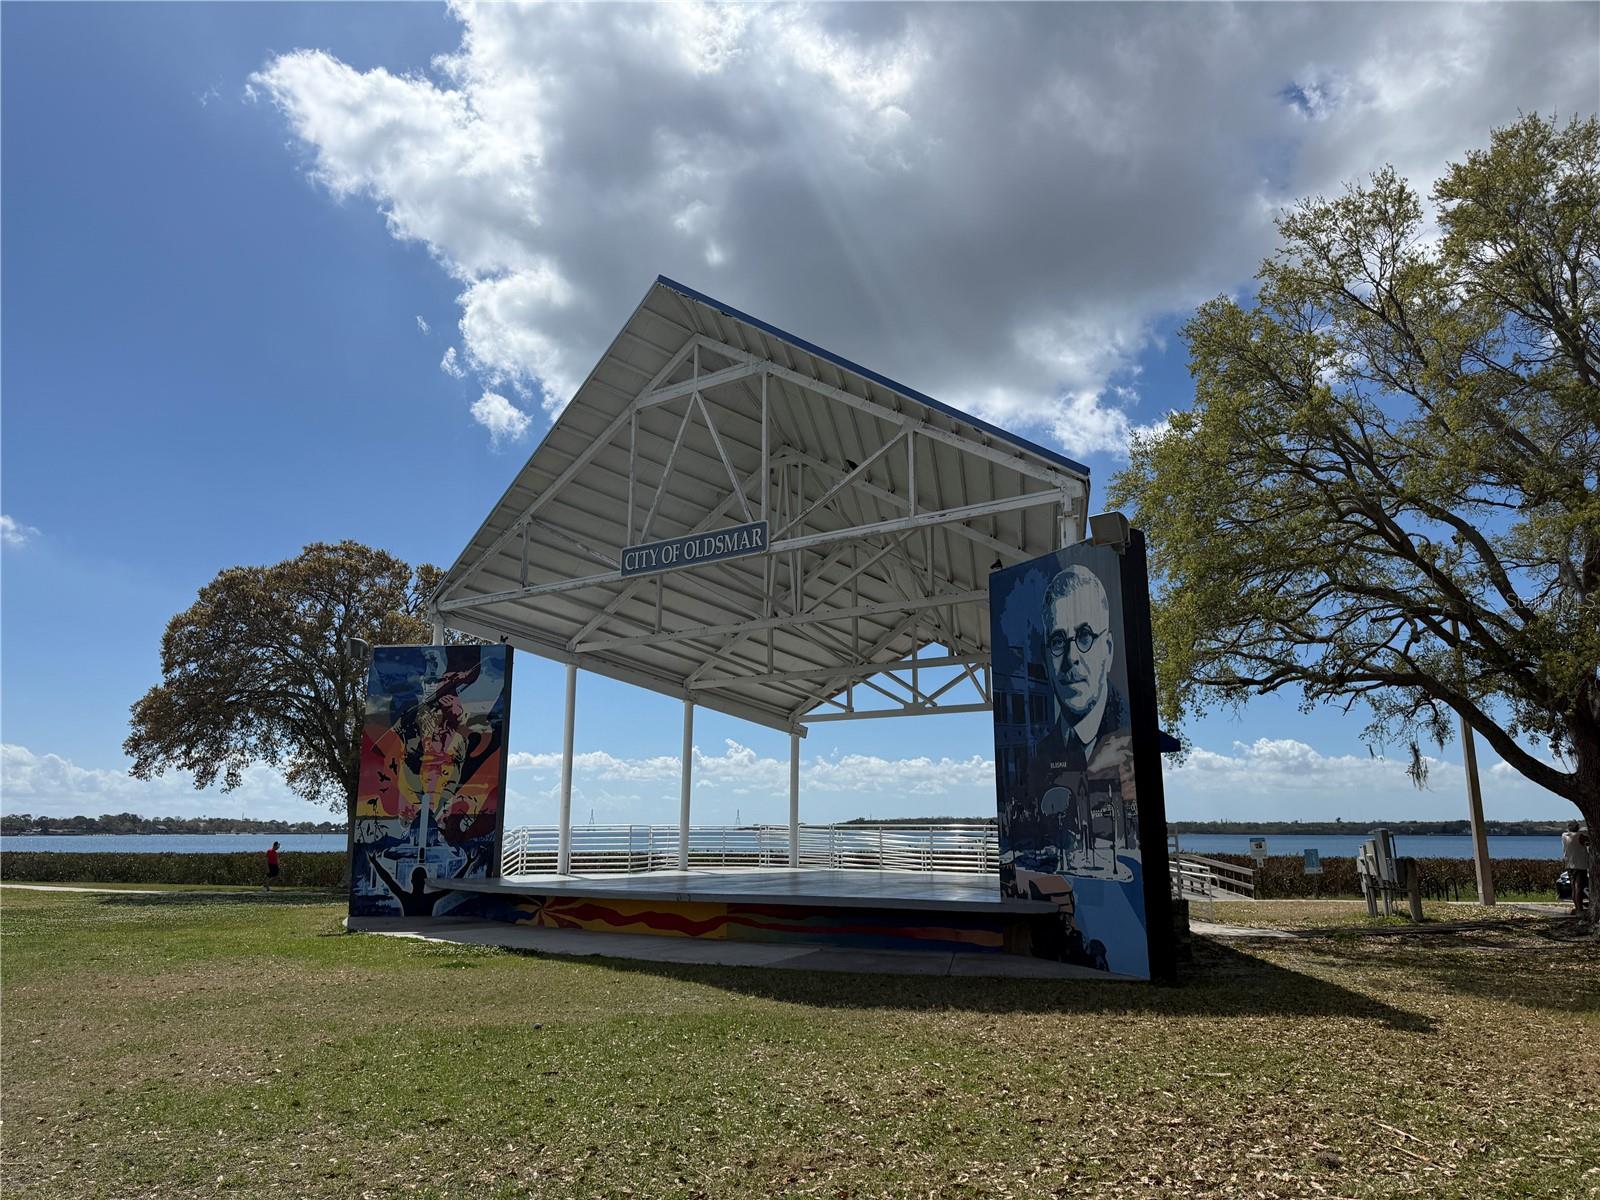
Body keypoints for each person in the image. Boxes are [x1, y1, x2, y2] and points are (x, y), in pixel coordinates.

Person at [1562, 821, 1589, 914]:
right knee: (1579, 887)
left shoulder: (1564, 836)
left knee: (1574, 887)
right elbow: (1589, 840)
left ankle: (1577, 907)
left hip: (1569, 864)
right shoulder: (1579, 836)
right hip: (1580, 865)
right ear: (1576, 827)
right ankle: (1579, 909)